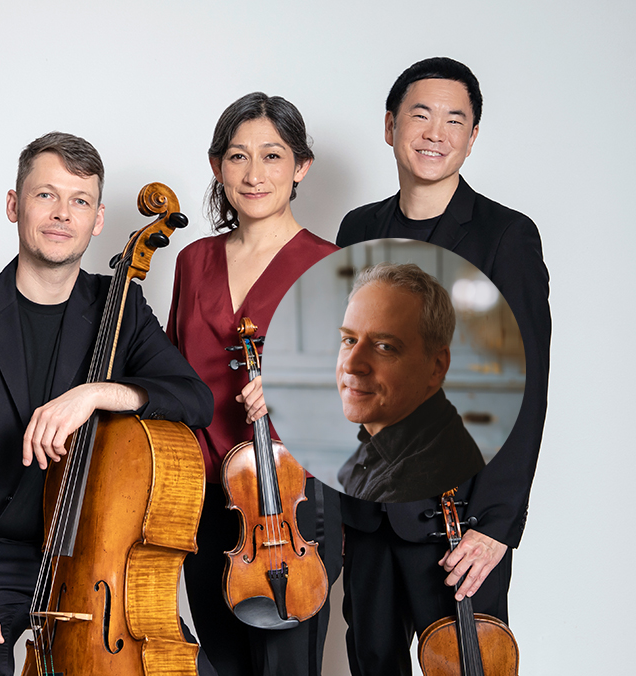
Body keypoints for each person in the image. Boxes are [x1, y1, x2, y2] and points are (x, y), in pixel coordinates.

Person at [0, 131, 213, 675]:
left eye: (79, 201)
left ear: (97, 220)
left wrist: (98, 392)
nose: (61, 214)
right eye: (45, 195)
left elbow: (195, 399)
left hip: (96, 555)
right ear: (13, 205)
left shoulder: (120, 308)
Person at [336, 57, 550, 675]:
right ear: (390, 125)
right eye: (421, 114)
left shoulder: (505, 236)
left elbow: (526, 385)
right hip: (372, 510)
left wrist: (498, 525)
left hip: (462, 519)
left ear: (472, 136)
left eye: (455, 119)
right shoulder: (359, 227)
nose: (436, 132)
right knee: (372, 662)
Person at [166, 92, 341, 676]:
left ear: (301, 167)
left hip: (289, 505)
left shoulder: (331, 263)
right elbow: (172, 375)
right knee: (217, 665)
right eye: (238, 156)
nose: (255, 173)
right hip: (206, 500)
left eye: (272, 155)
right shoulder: (193, 260)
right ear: (217, 167)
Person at [336, 262, 485, 503]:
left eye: (385, 346)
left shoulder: (408, 486)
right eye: (349, 340)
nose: (351, 365)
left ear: (436, 366)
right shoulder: (389, 427)